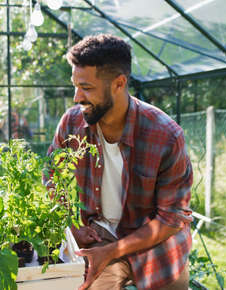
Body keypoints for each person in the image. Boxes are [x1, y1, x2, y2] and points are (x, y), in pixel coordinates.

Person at [47, 34, 193, 290]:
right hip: (98, 235)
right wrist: (73, 228)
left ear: (118, 83)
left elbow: (171, 218)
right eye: (75, 85)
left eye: (87, 88)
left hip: (158, 246)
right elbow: (52, 176)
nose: (76, 97)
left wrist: (116, 249)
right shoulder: (72, 123)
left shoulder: (165, 135)